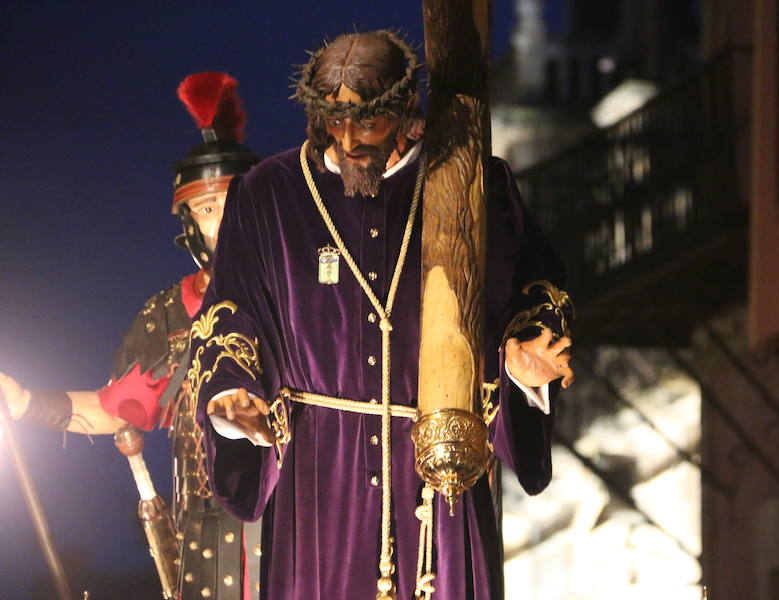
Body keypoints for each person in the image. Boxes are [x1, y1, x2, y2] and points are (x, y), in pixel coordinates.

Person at [189, 30, 574, 600]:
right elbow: (229, 312)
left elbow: (532, 294)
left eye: (366, 121)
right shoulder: (268, 195)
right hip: (320, 481)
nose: (348, 140)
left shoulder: (471, 184)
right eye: (333, 122)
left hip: (439, 470)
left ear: (402, 108)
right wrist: (231, 391)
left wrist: (521, 362)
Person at [0, 72, 263, 600]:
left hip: (309, 516)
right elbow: (116, 408)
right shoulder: (170, 314)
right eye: (209, 209)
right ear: (189, 223)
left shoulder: (312, 295)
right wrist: (26, 402)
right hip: (208, 540)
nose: (224, 221)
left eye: (235, 203)